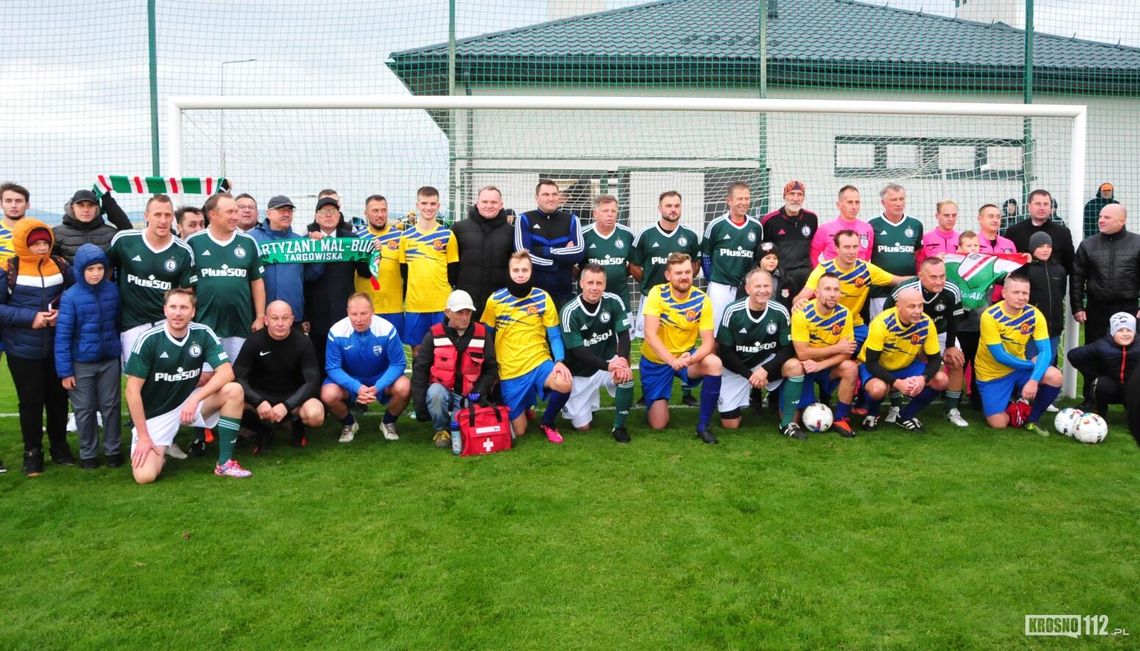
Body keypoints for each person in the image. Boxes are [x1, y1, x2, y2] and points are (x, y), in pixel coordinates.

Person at [125, 288, 251, 482]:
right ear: (165, 310)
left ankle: (225, 463)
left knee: (233, 390)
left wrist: (195, 398)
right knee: (145, 476)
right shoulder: (149, 340)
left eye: (184, 307)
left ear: (192, 312)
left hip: (188, 406)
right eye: (173, 307)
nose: (178, 312)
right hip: (156, 415)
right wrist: (143, 436)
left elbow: (226, 372)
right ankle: (160, 451)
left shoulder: (202, 333)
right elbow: (132, 390)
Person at [0, 219, 75, 475]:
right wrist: (29, 318)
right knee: (30, 402)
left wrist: (61, 313)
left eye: (45, 242)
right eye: (36, 244)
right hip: (22, 350)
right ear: (23, 243)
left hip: (57, 347)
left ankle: (60, 447)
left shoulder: (61, 265)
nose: (42, 247)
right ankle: (32, 453)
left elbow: (74, 294)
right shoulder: (8, 269)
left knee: (58, 400)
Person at [480, 251, 573, 441]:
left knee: (564, 382)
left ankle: (547, 422)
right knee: (520, 432)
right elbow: (486, 337)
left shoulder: (542, 297)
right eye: (516, 270)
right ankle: (524, 405)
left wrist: (559, 361)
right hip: (509, 371)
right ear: (509, 271)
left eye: (524, 270)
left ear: (531, 272)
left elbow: (554, 335)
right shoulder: (495, 300)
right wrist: (490, 370)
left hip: (539, 363)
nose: (520, 274)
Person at [640, 252, 722, 443]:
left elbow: (708, 342)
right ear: (668, 276)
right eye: (678, 273)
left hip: (685, 358)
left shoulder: (702, 300)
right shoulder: (657, 293)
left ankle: (703, 426)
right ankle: (653, 399)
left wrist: (689, 360)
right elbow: (650, 334)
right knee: (658, 424)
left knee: (714, 363)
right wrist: (672, 361)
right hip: (657, 361)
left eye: (687, 272)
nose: (684, 276)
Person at [108, 194, 198, 365]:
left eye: (168, 215)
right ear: (146, 216)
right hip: (132, 324)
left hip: (166, 323)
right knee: (135, 378)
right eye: (157, 214)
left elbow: (186, 293)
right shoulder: (125, 241)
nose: (163, 220)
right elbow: (106, 273)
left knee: (166, 377)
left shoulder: (183, 251)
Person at [55, 244, 121, 470]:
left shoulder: (113, 291)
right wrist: (65, 372)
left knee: (111, 407)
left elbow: (117, 323)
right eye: (90, 269)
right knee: (84, 410)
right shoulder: (70, 297)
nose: (96, 273)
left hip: (110, 361)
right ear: (81, 270)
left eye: (100, 268)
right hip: (81, 363)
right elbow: (62, 336)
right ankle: (88, 454)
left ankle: (113, 451)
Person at [717, 268, 805, 438]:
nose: (763, 290)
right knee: (730, 424)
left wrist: (765, 369)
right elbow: (725, 353)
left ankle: (787, 424)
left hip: (766, 365)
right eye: (757, 286)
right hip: (739, 368)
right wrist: (750, 375)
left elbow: (787, 348)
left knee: (795, 366)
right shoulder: (733, 311)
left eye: (767, 285)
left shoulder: (780, 311)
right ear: (747, 288)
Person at [1070, 202, 1140, 409]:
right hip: (1096, 309)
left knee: (1132, 354)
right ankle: (1091, 399)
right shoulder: (1088, 244)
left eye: (1107, 217)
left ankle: (1133, 401)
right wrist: (1077, 307)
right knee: (1094, 354)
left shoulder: (1137, 243)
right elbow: (1076, 277)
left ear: (1122, 220)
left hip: (1128, 308)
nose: (1101, 220)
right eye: (1101, 216)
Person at [974, 273, 1063, 432]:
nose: (1021, 297)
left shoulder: (1034, 314)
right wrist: (1030, 364)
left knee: (1055, 376)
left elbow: (1045, 351)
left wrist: (1034, 380)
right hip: (992, 374)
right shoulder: (990, 316)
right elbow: (1000, 355)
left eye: (1025, 293)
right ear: (1004, 293)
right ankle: (1013, 402)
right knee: (998, 423)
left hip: (1019, 368)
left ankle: (1031, 419)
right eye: (1016, 292)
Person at [885, 258, 968, 427]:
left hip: (939, 331)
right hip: (906, 332)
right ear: (921, 276)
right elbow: (888, 316)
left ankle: (951, 409)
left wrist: (951, 346)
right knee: (895, 362)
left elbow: (954, 320)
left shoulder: (952, 290)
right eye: (933, 277)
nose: (939, 281)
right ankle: (895, 406)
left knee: (956, 361)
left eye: (942, 276)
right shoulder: (904, 290)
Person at [411, 290, 499, 448]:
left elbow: (490, 369)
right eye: (460, 313)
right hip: (441, 390)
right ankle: (441, 430)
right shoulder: (433, 335)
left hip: (470, 394)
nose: (465, 317)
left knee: (462, 429)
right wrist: (419, 405)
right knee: (435, 394)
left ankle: (457, 423)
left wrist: (479, 391)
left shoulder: (482, 334)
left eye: (468, 313)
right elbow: (420, 370)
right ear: (448, 312)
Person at [232, 300, 324, 450]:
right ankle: (262, 430)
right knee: (228, 401)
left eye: (285, 318)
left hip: (293, 398)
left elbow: (313, 381)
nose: (280, 323)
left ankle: (296, 425)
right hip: (261, 397)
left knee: (315, 415)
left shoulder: (303, 342)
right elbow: (238, 376)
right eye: (275, 318)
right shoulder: (253, 342)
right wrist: (258, 401)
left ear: (292, 320)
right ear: (266, 320)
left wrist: (287, 405)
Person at [186, 193, 265, 363]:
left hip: (240, 324)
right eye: (230, 212)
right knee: (205, 376)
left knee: (238, 375)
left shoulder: (248, 242)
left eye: (236, 212)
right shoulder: (194, 242)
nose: (235, 216)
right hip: (204, 324)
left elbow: (257, 282)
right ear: (212, 215)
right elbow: (186, 286)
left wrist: (260, 316)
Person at [795, 230, 907, 350]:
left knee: (874, 349)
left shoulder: (865, 269)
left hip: (855, 324)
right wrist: (799, 302)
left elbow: (897, 280)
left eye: (855, 247)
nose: (851, 252)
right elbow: (801, 297)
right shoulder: (823, 269)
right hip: (826, 326)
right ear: (836, 248)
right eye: (846, 247)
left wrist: (923, 277)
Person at [321, 293, 410, 443]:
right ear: (347, 312)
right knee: (328, 394)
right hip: (351, 379)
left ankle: (388, 422)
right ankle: (349, 423)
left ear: (373, 311)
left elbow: (398, 363)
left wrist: (377, 386)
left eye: (363, 313)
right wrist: (357, 387)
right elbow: (332, 368)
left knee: (404, 387)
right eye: (354, 314)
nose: (358, 319)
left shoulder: (387, 329)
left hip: (379, 378)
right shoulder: (336, 332)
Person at [559, 264, 634, 443]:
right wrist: (608, 366)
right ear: (582, 283)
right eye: (590, 282)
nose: (594, 287)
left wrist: (621, 361)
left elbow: (623, 336)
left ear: (605, 285)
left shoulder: (614, 301)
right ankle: (587, 401)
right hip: (581, 372)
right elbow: (577, 351)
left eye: (599, 283)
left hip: (607, 363)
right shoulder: (570, 311)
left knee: (626, 375)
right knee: (583, 427)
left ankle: (619, 426)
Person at [858, 286, 949, 432]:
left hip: (906, 365)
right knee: (878, 389)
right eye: (912, 306)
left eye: (920, 306)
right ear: (898, 307)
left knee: (941, 380)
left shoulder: (926, 323)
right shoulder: (881, 323)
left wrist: (923, 379)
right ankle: (872, 414)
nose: (918, 311)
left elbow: (935, 359)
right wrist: (897, 383)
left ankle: (906, 415)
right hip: (877, 366)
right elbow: (871, 363)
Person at [305, 195, 371, 371]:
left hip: (345, 309)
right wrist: (305, 315)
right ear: (316, 216)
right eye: (324, 211)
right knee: (319, 356)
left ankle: (350, 395)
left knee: (348, 356)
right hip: (317, 311)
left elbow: (365, 272)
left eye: (333, 211)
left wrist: (373, 254)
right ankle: (320, 395)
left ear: (339, 216)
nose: (328, 215)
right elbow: (304, 280)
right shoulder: (306, 242)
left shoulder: (352, 240)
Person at [790, 273, 859, 438]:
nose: (832, 293)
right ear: (817, 292)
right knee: (796, 419)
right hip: (806, 367)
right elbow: (802, 352)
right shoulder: (802, 313)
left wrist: (821, 364)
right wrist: (836, 347)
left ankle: (841, 418)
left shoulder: (844, 314)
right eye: (827, 289)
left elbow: (846, 352)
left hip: (827, 367)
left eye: (836, 289)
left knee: (850, 367)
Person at [399, 186, 459, 354]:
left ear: (438, 206)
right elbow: (404, 271)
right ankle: (419, 382)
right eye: (424, 203)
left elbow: (453, 270)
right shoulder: (405, 237)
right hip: (415, 304)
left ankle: (439, 381)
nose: (428, 207)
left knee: (443, 350)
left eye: (433, 203)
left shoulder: (447, 235)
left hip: (440, 304)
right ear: (417, 205)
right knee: (417, 350)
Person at [513, 179, 584, 307]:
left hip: (564, 293)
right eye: (546, 194)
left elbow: (578, 252)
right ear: (537, 197)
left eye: (554, 194)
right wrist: (559, 261)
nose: (551, 198)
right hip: (532, 294)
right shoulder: (524, 219)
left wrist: (543, 250)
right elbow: (523, 256)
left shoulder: (572, 220)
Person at [702, 182, 764, 330]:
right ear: (729, 200)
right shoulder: (716, 225)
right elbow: (705, 255)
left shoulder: (756, 227)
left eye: (747, 199)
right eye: (739, 199)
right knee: (716, 329)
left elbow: (758, 258)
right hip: (720, 287)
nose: (744, 203)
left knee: (744, 329)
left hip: (746, 288)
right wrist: (713, 278)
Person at [250, 195, 319, 324]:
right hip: (260, 315)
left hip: (292, 314)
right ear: (269, 213)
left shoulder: (299, 241)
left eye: (290, 211)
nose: (287, 214)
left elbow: (310, 275)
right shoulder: (252, 239)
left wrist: (319, 251)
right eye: (282, 210)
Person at [452, 186, 514, 320]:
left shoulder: (511, 232)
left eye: (493, 202)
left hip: (499, 303)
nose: (489, 205)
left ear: (501, 205)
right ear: (477, 203)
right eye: (485, 202)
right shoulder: (459, 228)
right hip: (466, 305)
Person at [1067, 312, 1140, 418]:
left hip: (1132, 389)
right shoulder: (1102, 345)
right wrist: (1094, 374)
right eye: (1120, 330)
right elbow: (1073, 355)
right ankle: (1100, 414)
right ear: (1112, 332)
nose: (1125, 334)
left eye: (1129, 330)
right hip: (1111, 388)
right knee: (1101, 384)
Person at [868, 183, 923, 317]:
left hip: (908, 289)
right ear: (883, 202)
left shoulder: (915, 225)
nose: (899, 203)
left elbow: (916, 254)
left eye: (901, 199)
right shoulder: (872, 225)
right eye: (894, 200)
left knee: (907, 331)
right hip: (880, 291)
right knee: (882, 328)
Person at [355, 194, 406, 332]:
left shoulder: (401, 237)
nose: (380, 215)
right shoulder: (357, 239)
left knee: (394, 351)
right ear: (366, 213)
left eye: (383, 210)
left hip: (394, 308)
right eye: (375, 211)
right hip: (366, 309)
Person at [761, 180, 817, 300]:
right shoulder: (770, 220)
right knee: (783, 311)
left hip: (806, 277)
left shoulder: (811, 218)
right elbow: (764, 252)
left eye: (799, 194)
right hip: (782, 276)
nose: (795, 198)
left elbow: (814, 247)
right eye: (792, 194)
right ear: (784, 196)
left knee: (804, 313)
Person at [579, 195, 634, 310]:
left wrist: (618, 273)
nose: (610, 214)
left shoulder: (627, 235)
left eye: (613, 211)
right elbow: (574, 268)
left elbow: (634, 265)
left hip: (621, 299)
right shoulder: (582, 235)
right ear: (595, 214)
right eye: (605, 211)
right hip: (590, 300)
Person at [52, 189, 132, 263]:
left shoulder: (110, 234)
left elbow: (129, 235)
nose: (86, 210)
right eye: (81, 205)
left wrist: (108, 202)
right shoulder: (56, 234)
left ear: (96, 208)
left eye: (90, 205)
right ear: (72, 207)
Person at [1005, 189, 1074, 273]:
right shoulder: (1014, 232)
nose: (1042, 208)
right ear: (1029, 207)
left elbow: (1069, 264)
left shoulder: (1063, 233)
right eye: (1038, 204)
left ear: (1050, 207)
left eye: (1046, 204)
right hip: (1023, 284)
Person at [1023, 232, 1067, 361]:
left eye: (1048, 246)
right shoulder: (1026, 268)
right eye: (1041, 246)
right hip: (1030, 329)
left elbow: (1061, 293)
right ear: (1032, 248)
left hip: (1054, 329)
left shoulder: (1059, 269)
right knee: (1031, 364)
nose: (1045, 249)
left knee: (1049, 363)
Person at [810, 185, 874, 266]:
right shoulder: (825, 229)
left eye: (857, 202)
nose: (854, 207)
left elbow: (867, 256)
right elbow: (813, 255)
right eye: (850, 202)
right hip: (835, 277)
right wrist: (823, 274)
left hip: (859, 278)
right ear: (838, 205)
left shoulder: (867, 229)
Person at [916, 200, 961, 266]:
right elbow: (918, 265)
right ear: (937, 216)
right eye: (946, 215)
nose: (951, 219)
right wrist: (933, 262)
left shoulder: (961, 238)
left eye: (954, 215)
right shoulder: (926, 238)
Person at [1, 182, 31, 267]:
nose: (13, 205)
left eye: (18, 201)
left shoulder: (37, 230)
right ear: (1, 204)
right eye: (8, 201)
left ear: (28, 205)